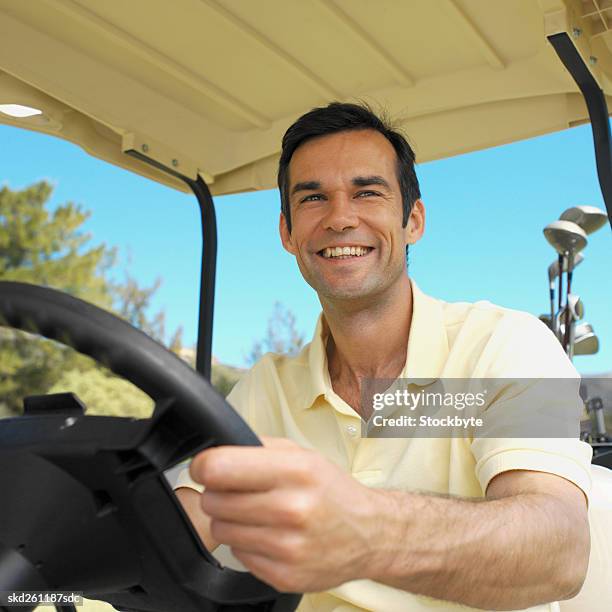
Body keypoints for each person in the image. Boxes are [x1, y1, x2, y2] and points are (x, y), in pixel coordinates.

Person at [174, 102, 592, 612]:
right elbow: (179, 530)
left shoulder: (507, 344)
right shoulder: (268, 387)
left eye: (367, 192)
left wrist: (364, 530)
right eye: (313, 198)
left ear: (413, 219)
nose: (340, 217)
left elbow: (560, 553)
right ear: (287, 233)